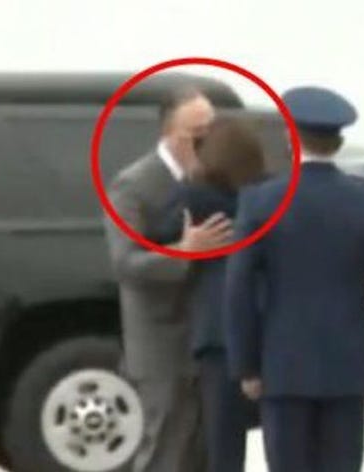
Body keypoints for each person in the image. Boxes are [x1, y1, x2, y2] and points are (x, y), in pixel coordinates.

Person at [225, 86, 364, 472]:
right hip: (348, 366)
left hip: (282, 366)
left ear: (291, 140)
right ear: (339, 143)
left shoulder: (260, 202)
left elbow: (239, 289)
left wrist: (246, 365)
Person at [101, 86, 230, 472]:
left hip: (210, 340)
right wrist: (184, 251)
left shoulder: (218, 180)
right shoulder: (133, 185)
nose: (208, 143)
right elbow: (126, 263)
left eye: (212, 132)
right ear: (171, 134)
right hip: (161, 345)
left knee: (205, 455)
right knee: (164, 452)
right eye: (198, 134)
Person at [145, 116, 266, 472]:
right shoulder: (269, 197)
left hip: (218, 333)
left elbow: (155, 235)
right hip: (269, 328)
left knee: (223, 444)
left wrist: (187, 179)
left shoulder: (194, 198)